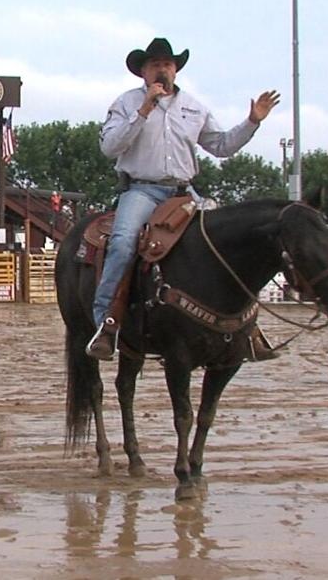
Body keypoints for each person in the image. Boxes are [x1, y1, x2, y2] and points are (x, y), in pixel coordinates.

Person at [86, 37, 280, 360]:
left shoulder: (194, 107)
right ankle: (106, 323)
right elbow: (110, 147)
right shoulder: (125, 103)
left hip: (184, 191)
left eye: (167, 64)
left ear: (175, 69)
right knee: (121, 243)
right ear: (143, 73)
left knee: (227, 241)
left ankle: (248, 328)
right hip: (141, 189)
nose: (162, 69)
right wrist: (144, 109)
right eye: (155, 64)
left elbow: (222, 146)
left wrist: (252, 122)